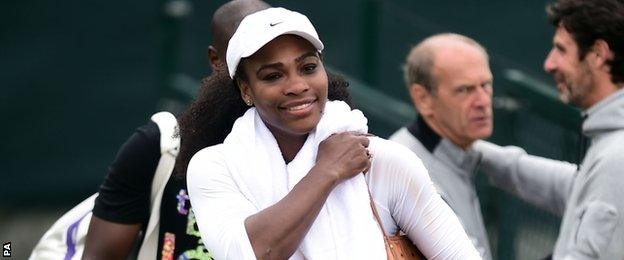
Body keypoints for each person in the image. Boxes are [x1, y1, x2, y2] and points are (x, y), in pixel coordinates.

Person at [184, 7, 482, 259]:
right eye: (273, 75)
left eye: (308, 67)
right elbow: (253, 253)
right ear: (246, 90)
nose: (297, 85)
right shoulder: (214, 167)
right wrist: (326, 171)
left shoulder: (380, 160)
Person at [82, 1, 271, 259]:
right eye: (246, 56)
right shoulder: (160, 146)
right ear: (216, 61)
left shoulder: (318, 145)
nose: (265, 68)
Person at [471, 0, 624, 259]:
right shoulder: (610, 146)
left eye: (561, 50)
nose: (549, 64)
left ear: (598, 54)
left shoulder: (615, 158)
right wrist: (474, 152)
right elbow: (572, 187)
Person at [389, 33, 494, 260]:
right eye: (464, 90)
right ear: (423, 99)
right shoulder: (415, 175)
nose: (483, 101)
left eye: (485, 85)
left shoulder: (459, 145)